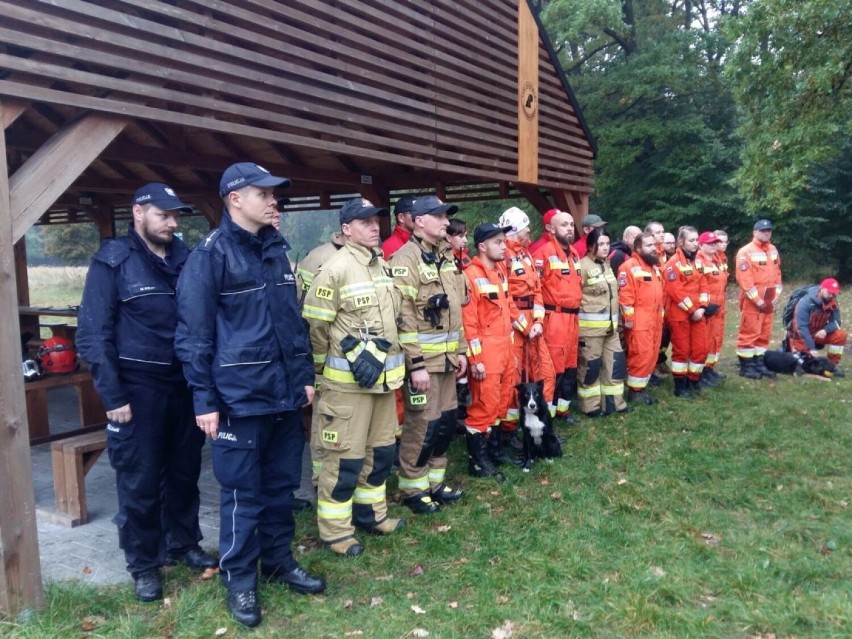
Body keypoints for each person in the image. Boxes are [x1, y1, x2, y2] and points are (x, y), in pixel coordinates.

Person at [175, 163, 324, 628]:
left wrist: (303, 377)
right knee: (243, 494)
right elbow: (193, 336)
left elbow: (292, 323)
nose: (274, 201)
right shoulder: (210, 255)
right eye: (264, 194)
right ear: (235, 198)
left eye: (274, 194)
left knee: (281, 488)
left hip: (283, 395)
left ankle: (278, 562)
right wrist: (204, 399)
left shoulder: (277, 250)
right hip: (238, 398)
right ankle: (240, 579)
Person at [76, 183, 215, 603]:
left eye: (176, 216)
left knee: (184, 472)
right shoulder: (113, 262)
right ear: (138, 212)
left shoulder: (186, 258)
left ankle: (183, 542)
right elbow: (92, 336)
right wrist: (113, 395)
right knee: (139, 481)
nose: (173, 223)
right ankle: (144, 563)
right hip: (137, 390)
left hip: (183, 384)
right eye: (164, 215)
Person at [302, 197, 407, 557]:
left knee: (380, 455)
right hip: (346, 389)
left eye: (375, 220)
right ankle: (336, 533)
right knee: (344, 462)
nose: (374, 226)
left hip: (383, 385)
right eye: (364, 222)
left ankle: (371, 515)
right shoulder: (334, 269)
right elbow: (316, 325)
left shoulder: (381, 265)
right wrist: (320, 372)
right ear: (347, 229)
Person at [390, 195, 467, 515]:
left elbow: (456, 310)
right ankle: (413, 489)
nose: (446, 222)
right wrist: (416, 365)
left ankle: (435, 482)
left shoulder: (447, 256)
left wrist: (461, 350)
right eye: (439, 217)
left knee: (445, 422)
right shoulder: (404, 259)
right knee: (422, 426)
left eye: (446, 217)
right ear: (419, 221)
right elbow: (403, 317)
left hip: (448, 359)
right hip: (424, 365)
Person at [462, 222, 519, 479]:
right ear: (482, 246)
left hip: (505, 349)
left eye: (503, 241)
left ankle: (494, 451)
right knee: (483, 407)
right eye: (498, 242)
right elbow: (469, 323)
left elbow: (506, 310)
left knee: (501, 402)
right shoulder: (471, 276)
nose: (503, 246)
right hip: (487, 353)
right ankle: (477, 462)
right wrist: (476, 359)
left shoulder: (500, 272)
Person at [296, 230, 347, 494]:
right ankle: (320, 479)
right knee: (321, 416)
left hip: (345, 361)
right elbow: (309, 311)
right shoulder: (320, 259)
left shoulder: (367, 257)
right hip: (321, 352)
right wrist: (318, 362)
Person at [498, 206, 556, 432]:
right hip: (516, 329)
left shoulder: (526, 254)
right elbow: (506, 299)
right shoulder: (504, 257)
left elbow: (537, 291)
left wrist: (539, 322)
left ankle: (542, 425)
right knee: (514, 378)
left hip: (533, 326)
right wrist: (524, 326)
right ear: (514, 230)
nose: (530, 230)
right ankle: (510, 430)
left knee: (544, 373)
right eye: (526, 227)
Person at [532, 208, 583, 422]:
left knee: (571, 365)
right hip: (555, 319)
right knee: (553, 368)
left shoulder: (574, 254)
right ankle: (546, 415)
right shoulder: (543, 254)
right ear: (551, 229)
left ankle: (563, 410)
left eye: (571, 224)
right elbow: (535, 289)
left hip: (572, 319)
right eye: (564, 224)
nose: (570, 228)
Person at [577, 228, 627, 416]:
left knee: (615, 365)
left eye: (607, 243)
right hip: (590, 332)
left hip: (611, 329)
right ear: (591, 247)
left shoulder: (606, 265)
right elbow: (575, 296)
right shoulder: (582, 266)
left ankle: (614, 403)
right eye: (601, 244)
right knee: (590, 369)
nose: (606, 248)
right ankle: (591, 406)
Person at [617, 232, 665, 404]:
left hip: (654, 322)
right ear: (638, 248)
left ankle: (641, 387)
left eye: (654, 245)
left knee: (651, 355)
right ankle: (635, 392)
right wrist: (628, 320)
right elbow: (626, 297)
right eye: (649, 245)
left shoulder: (654, 268)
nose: (654, 248)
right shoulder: (628, 267)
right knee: (640, 355)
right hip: (639, 322)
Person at [663, 226, 709, 397]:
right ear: (681, 242)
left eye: (696, 240)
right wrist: (693, 310)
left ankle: (693, 380)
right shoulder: (672, 264)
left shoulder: (698, 261)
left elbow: (704, 284)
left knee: (700, 348)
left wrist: (703, 307)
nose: (695, 244)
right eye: (691, 240)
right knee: (682, 350)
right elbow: (676, 292)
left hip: (698, 313)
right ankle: (680, 385)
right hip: (680, 314)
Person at [735, 219, 782, 379]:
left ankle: (759, 363)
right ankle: (746, 366)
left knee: (764, 333)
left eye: (768, 230)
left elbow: (777, 274)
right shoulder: (745, 252)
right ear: (754, 232)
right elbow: (745, 280)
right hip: (752, 301)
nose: (766, 233)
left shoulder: (773, 249)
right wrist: (758, 300)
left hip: (769, 299)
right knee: (749, 333)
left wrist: (776, 295)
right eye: (763, 230)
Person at [787, 278, 846, 363]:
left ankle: (832, 364)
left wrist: (826, 330)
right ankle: (792, 348)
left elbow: (837, 322)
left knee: (841, 335)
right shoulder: (805, 303)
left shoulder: (833, 302)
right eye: (829, 292)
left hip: (817, 334)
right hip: (800, 336)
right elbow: (801, 328)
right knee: (806, 363)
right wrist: (811, 348)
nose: (831, 295)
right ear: (822, 289)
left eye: (834, 293)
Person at [697, 232, 727, 385]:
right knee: (703, 341)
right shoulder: (699, 261)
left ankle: (709, 369)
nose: (714, 245)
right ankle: (699, 372)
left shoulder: (716, 260)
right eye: (710, 243)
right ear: (701, 245)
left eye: (715, 242)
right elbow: (696, 285)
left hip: (719, 307)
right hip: (707, 309)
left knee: (714, 340)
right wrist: (704, 305)